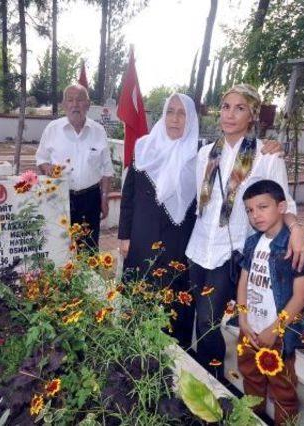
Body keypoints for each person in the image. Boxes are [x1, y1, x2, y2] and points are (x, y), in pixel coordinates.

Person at [185, 84, 304, 379]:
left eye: (240, 108)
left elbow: (285, 202)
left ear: (252, 115)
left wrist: (296, 229)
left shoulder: (265, 156)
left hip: (229, 254)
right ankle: (201, 375)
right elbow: (202, 203)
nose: (230, 114)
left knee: (208, 321)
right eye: (226, 106)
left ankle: (211, 380)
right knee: (198, 316)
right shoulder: (206, 153)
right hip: (197, 247)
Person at [118, 93, 198, 348]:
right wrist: (124, 236)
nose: (175, 118)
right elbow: (128, 195)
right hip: (142, 238)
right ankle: (134, 351)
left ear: (191, 119)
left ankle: (175, 357)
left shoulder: (200, 156)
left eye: (182, 113)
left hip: (179, 242)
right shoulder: (144, 148)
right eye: (170, 111)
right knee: (139, 298)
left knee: (173, 302)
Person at [236, 179, 304, 426]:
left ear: (281, 207)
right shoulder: (252, 243)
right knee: (251, 380)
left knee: (283, 391)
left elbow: (300, 297)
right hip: (250, 329)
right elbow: (243, 282)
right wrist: (242, 318)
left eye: (263, 207)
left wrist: (275, 329)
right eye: (250, 210)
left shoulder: (295, 247)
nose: (255, 215)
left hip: (277, 334)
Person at [35, 84, 114, 250]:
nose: (75, 104)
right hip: (60, 197)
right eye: (70, 100)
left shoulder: (98, 131)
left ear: (88, 104)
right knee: (60, 248)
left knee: (88, 249)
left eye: (79, 100)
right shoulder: (52, 129)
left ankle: (88, 275)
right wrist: (47, 168)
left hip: (90, 199)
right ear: (64, 105)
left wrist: (105, 197)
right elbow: (40, 158)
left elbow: (107, 170)